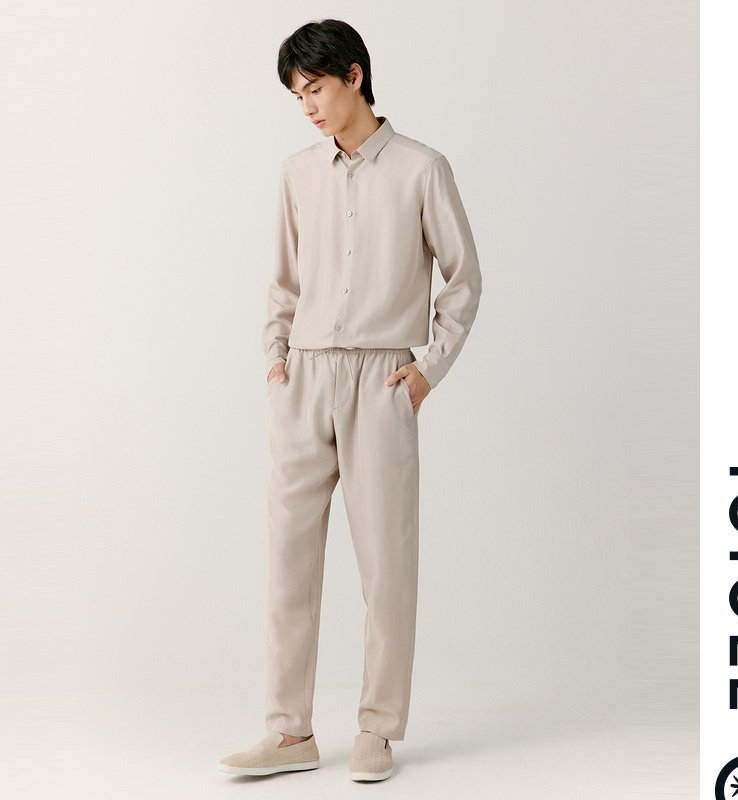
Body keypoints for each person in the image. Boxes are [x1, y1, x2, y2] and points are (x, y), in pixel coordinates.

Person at [218, 18, 481, 782]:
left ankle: (378, 730)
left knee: (387, 566)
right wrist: (276, 357)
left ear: (355, 77)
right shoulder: (297, 173)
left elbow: (464, 280)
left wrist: (427, 369)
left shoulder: (422, 168)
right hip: (305, 378)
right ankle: (288, 732)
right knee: (288, 561)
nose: (307, 106)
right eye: (297, 95)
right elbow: (283, 279)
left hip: (382, 380)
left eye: (315, 89)